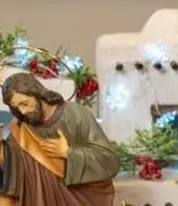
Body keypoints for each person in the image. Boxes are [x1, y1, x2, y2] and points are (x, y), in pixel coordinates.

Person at [0, 72, 120, 205]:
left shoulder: (76, 114)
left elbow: (109, 160)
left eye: (25, 103)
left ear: (36, 93)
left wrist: (68, 153)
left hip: (78, 198)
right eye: (16, 107)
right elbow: (10, 179)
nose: (23, 111)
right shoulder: (20, 129)